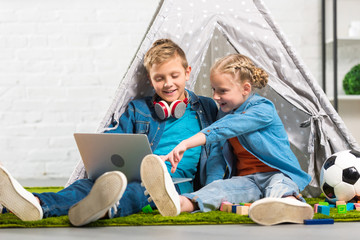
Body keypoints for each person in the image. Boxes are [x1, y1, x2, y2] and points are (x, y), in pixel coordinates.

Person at [0, 39, 220, 226]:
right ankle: (37, 204)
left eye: (174, 76)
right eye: (159, 78)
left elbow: (221, 139)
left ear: (187, 72)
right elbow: (115, 142)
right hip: (135, 173)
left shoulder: (206, 107)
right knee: (86, 184)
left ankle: (101, 210)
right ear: (150, 80)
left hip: (174, 183)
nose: (168, 84)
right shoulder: (139, 109)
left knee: (140, 191)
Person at [141, 53, 314, 226]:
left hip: (277, 174)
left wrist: (186, 143)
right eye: (213, 89)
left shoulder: (263, 108)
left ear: (245, 89)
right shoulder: (224, 112)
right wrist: (211, 185)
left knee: (279, 187)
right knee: (219, 190)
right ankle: (179, 203)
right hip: (246, 181)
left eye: (222, 91)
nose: (215, 96)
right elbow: (216, 156)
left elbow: (229, 127)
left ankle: (290, 205)